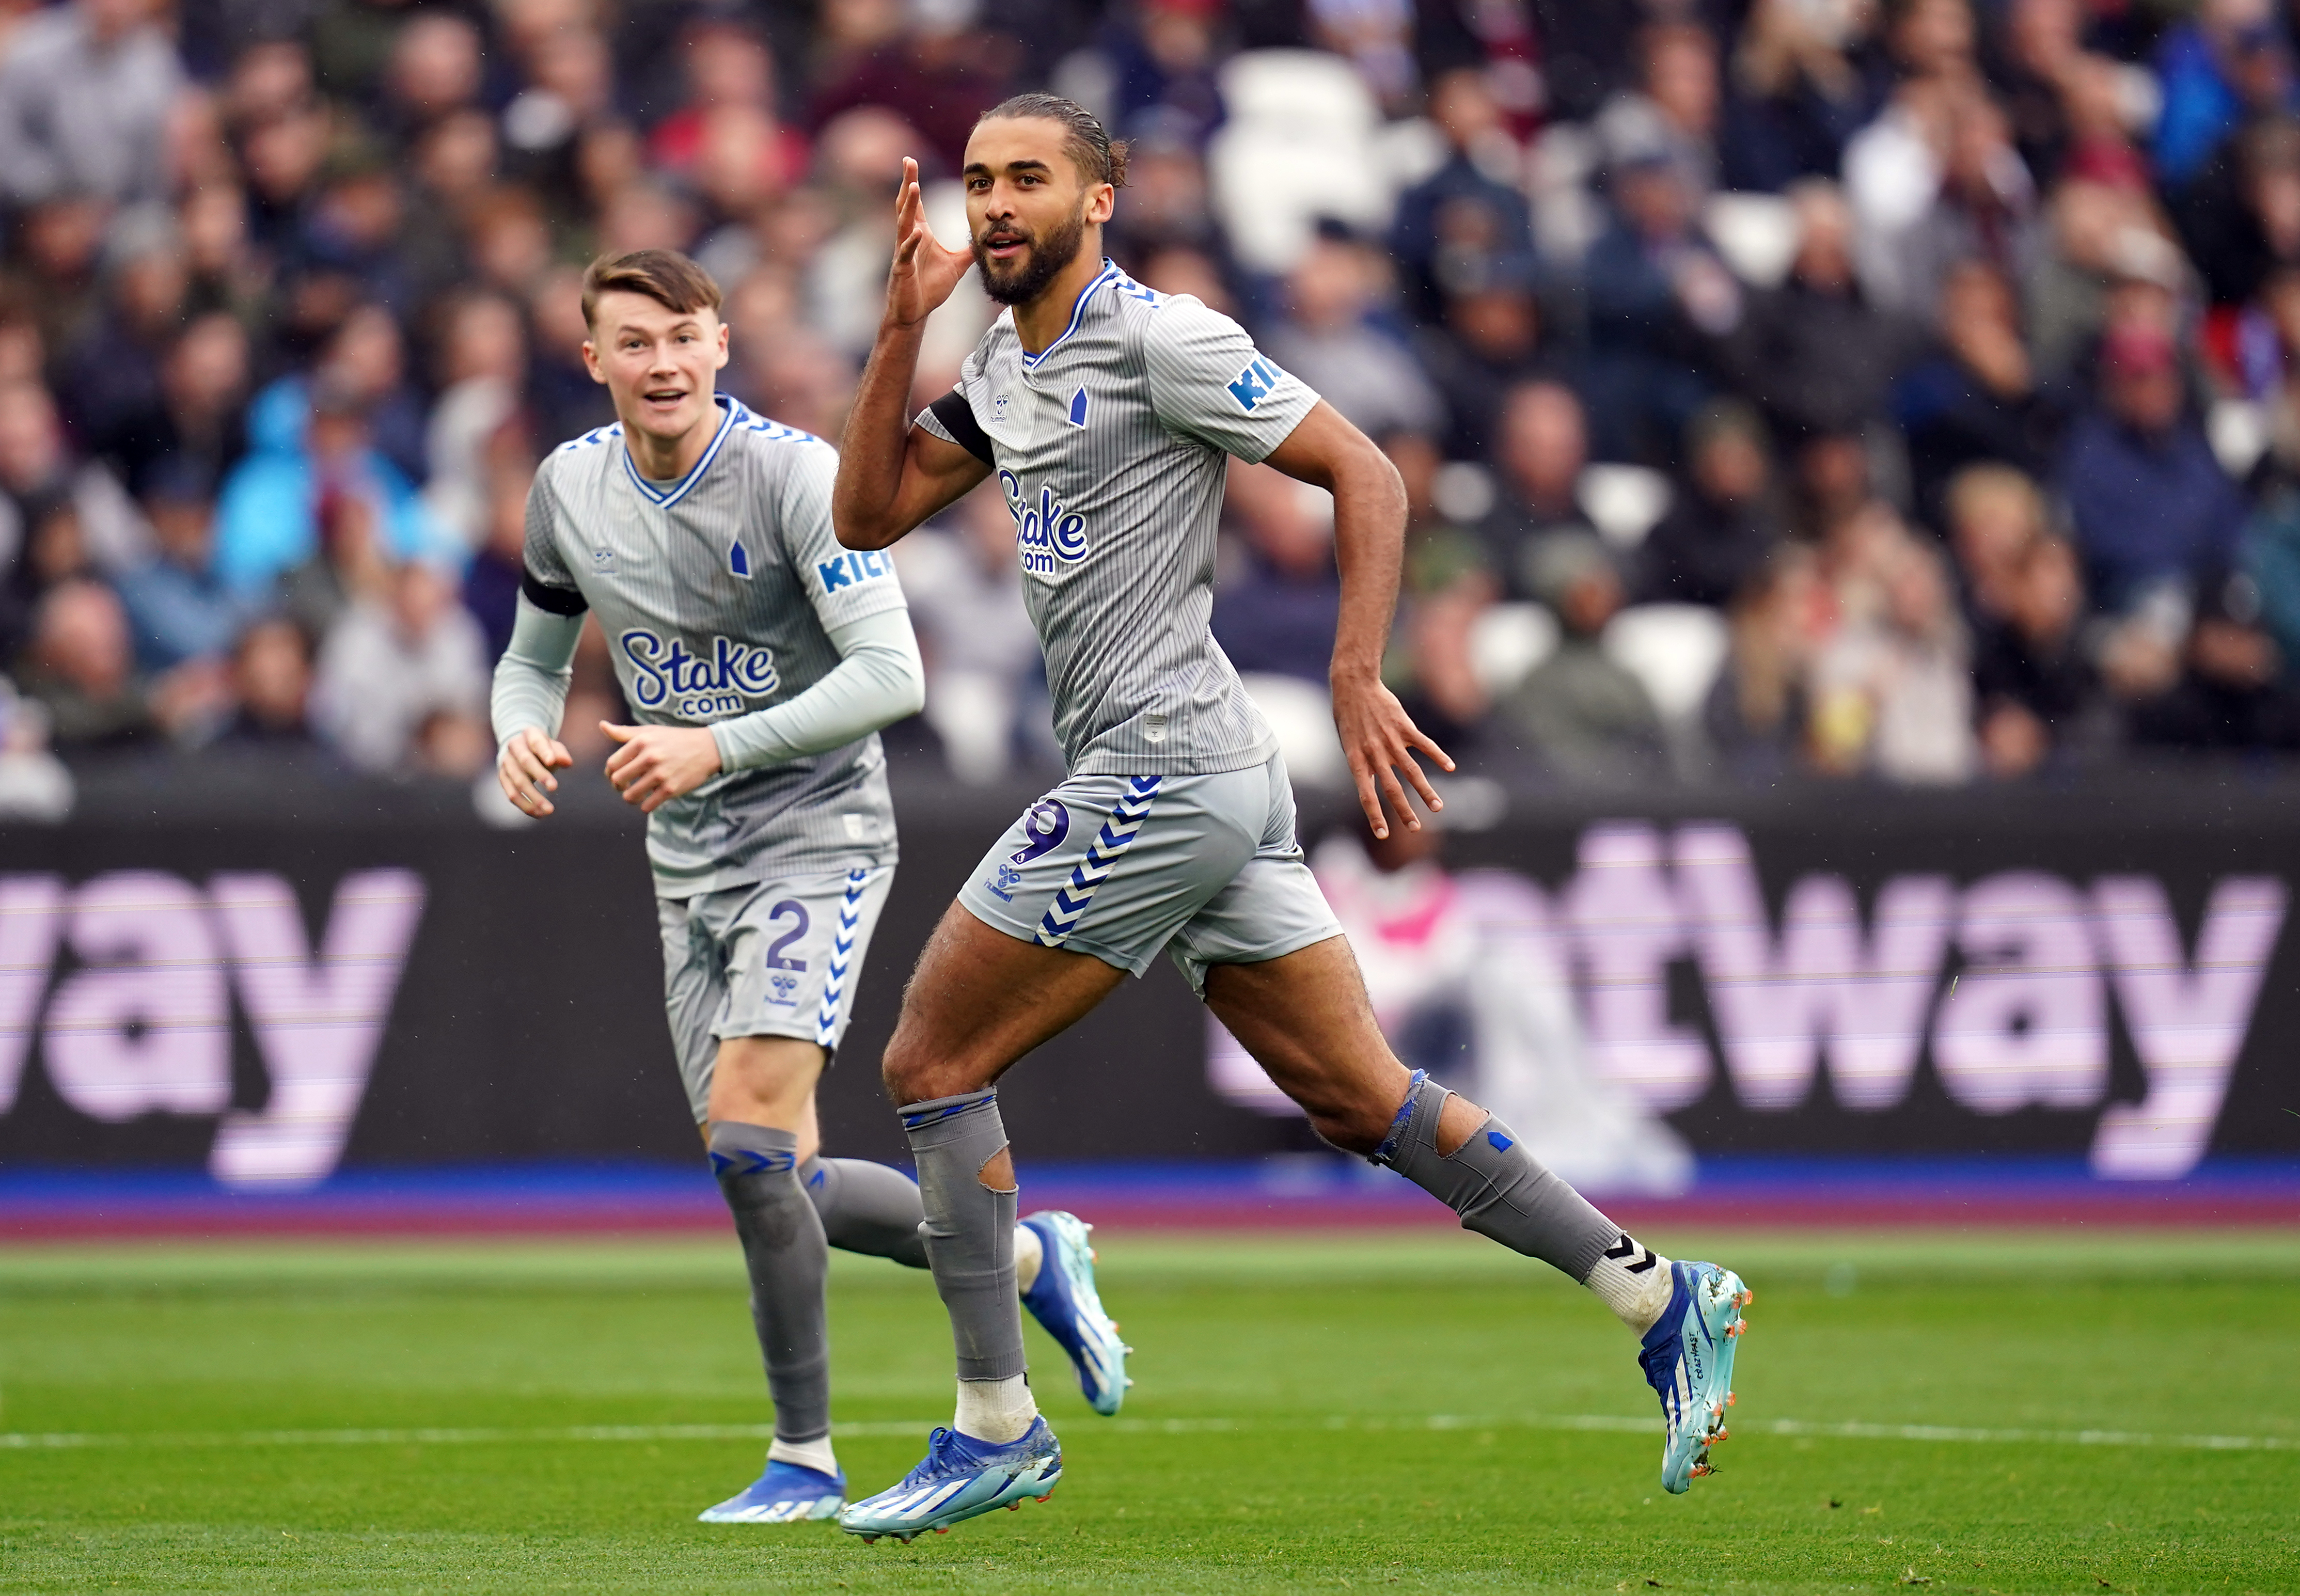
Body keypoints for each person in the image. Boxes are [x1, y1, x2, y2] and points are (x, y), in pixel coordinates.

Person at [831, 94, 1752, 1542]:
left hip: (1159, 772)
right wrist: (898, 328)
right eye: (977, 182)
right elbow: (865, 514)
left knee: (929, 1056)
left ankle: (993, 1422)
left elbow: (1366, 472)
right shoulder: (1003, 361)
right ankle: (1655, 1289)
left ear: (1097, 201)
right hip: (1205, 783)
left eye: (1027, 180)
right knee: (1361, 1098)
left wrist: (1349, 668)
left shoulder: (1161, 337)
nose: (994, 204)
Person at [487, 248, 1126, 1529]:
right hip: (688, 862)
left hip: (816, 834)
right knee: (766, 1169)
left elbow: (895, 674)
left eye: (683, 336)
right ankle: (1022, 1252)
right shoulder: (567, 487)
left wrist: (714, 742)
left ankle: (804, 1456)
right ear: (593, 358)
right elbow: (531, 654)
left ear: (720, 344)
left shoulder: (789, 474)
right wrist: (516, 727)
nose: (661, 362)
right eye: (634, 342)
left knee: (748, 1142)